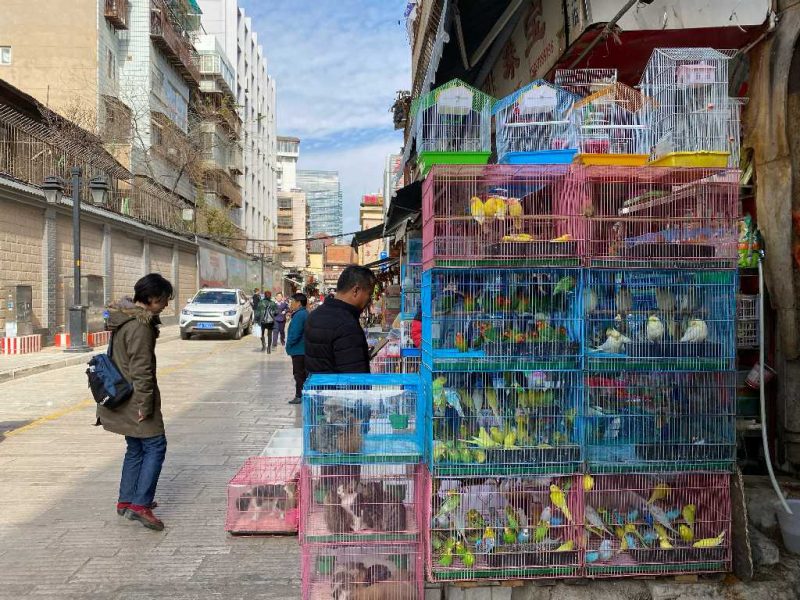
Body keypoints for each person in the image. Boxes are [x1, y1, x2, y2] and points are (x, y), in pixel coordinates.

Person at [96, 273, 173, 531]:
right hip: (135, 398)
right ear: (151, 298)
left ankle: (127, 500)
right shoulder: (140, 325)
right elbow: (141, 370)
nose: (166, 305)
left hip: (124, 395)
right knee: (156, 445)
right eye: (163, 299)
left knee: (136, 448)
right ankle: (140, 505)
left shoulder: (124, 318)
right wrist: (144, 405)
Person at [305, 265, 375, 374]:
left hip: (317, 383)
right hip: (338, 385)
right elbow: (354, 377)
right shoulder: (347, 324)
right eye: (369, 294)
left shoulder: (314, 315)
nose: (369, 300)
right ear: (356, 290)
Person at [285, 293, 308, 405]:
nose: (291, 304)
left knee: (298, 374)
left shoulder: (299, 315)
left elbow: (295, 333)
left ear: (298, 303)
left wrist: (289, 344)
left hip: (299, 350)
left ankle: (299, 395)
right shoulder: (304, 313)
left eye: (292, 302)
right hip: (303, 349)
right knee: (302, 374)